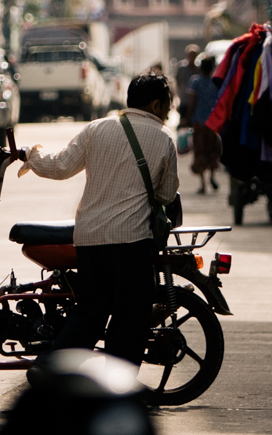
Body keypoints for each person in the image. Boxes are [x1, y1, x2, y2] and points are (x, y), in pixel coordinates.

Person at [20, 73, 180, 365]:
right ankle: (116, 390)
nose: (169, 111)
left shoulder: (97, 128)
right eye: (168, 104)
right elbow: (167, 195)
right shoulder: (163, 139)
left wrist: (32, 156)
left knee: (90, 312)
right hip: (131, 241)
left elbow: (60, 167)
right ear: (157, 104)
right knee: (130, 318)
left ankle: (49, 369)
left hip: (90, 238)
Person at [187, 55, 223, 194]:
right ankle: (213, 176)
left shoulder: (195, 82)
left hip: (199, 123)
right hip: (213, 123)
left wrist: (187, 117)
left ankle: (202, 184)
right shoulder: (216, 83)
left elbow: (192, 101)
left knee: (200, 151)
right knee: (212, 151)